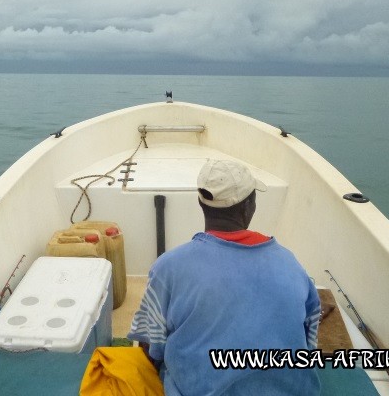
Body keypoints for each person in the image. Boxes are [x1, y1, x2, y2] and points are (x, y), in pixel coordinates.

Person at [128, 159, 321, 395]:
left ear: (201, 203)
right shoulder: (292, 265)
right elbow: (309, 344)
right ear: (250, 204)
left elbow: (152, 348)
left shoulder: (167, 269)